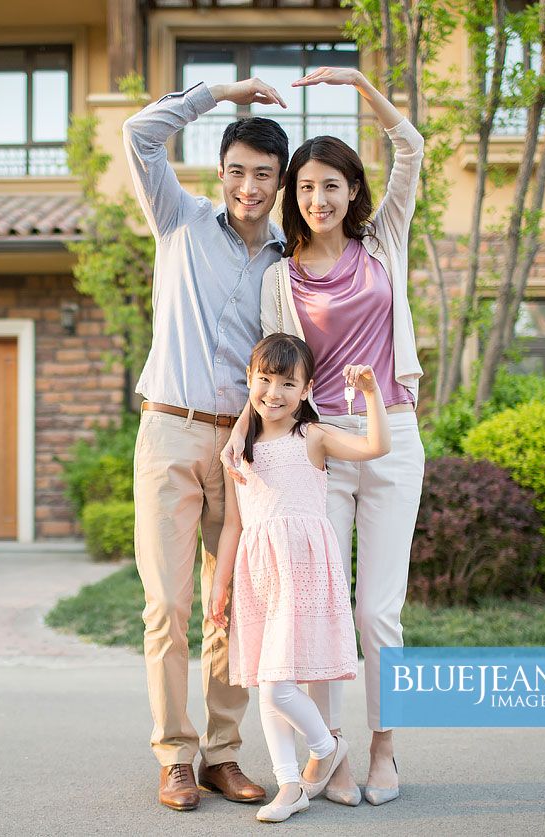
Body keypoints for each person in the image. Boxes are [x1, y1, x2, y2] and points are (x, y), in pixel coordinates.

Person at [222, 66, 426, 807]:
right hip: (316, 450)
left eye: (331, 185)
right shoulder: (282, 274)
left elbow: (410, 146)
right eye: (305, 188)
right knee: (321, 605)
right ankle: (329, 757)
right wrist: (243, 433)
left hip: (391, 433)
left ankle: (383, 749)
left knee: (377, 609)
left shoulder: (385, 241)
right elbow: (272, 367)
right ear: (293, 198)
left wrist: (359, 82)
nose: (318, 198)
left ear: (351, 191)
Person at [123, 77, 292, 811]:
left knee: (233, 606)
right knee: (167, 604)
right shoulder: (178, 219)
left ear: (278, 182)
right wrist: (218, 92)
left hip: (243, 447)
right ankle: (174, 754)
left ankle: (224, 752)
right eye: (236, 171)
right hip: (170, 429)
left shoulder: (288, 260)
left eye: (262, 175)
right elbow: (136, 133)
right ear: (218, 173)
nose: (247, 186)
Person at [208, 333, 391, 823]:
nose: (274, 392)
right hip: (257, 574)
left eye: (288, 383)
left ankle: (326, 745)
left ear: (307, 388)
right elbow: (233, 525)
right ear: (249, 382)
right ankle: (290, 785)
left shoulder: (312, 436)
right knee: (270, 678)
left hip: (301, 570)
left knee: (275, 686)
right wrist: (219, 586)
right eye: (264, 380)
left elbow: (377, 445)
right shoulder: (239, 450)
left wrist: (372, 392)